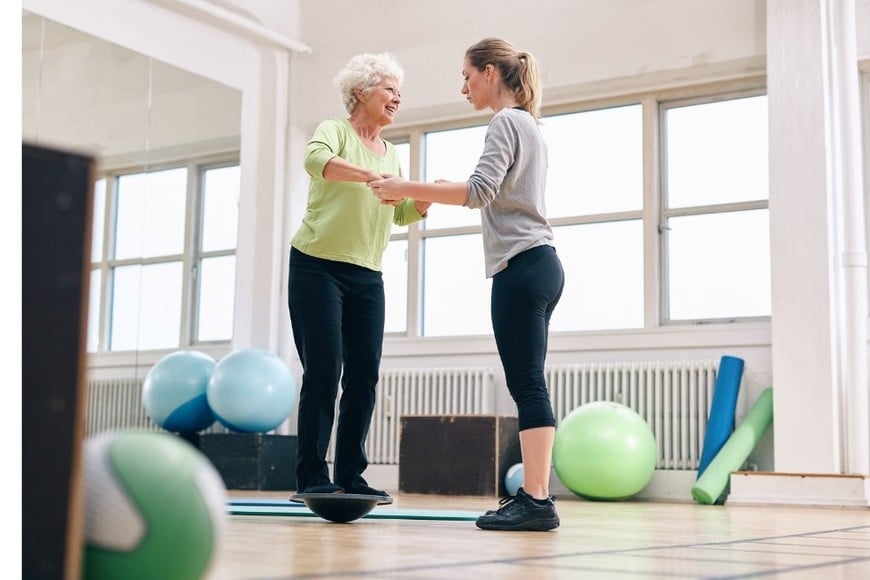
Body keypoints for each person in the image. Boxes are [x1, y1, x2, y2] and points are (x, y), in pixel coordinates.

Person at [369, 38, 564, 531]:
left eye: (467, 76)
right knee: (530, 382)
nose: (463, 87)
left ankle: (537, 500)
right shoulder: (531, 126)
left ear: (492, 72)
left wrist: (405, 187)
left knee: (526, 385)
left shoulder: (506, 121)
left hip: (521, 266)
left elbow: (479, 192)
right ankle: (537, 498)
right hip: (541, 263)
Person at [289, 53, 429, 500]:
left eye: (398, 90)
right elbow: (317, 162)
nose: (397, 96)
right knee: (324, 370)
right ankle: (312, 475)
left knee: (364, 374)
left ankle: (351, 474)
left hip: (367, 275)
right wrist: (371, 176)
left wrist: (423, 199)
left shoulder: (394, 153)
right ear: (362, 92)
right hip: (317, 266)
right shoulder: (335, 130)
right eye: (388, 88)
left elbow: (400, 211)